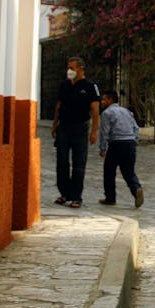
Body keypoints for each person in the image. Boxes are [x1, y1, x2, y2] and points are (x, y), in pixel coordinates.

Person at [51, 56, 100, 208]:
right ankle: (64, 193)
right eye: (69, 68)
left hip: (80, 128)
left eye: (72, 68)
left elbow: (95, 110)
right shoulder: (64, 85)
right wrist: (54, 125)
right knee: (62, 162)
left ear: (80, 69)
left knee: (79, 164)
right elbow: (58, 106)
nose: (69, 71)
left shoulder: (90, 86)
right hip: (64, 128)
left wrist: (94, 131)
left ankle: (76, 196)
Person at [97, 90, 144, 208]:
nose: (102, 102)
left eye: (104, 99)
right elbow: (136, 128)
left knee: (109, 171)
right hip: (130, 143)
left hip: (116, 144)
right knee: (129, 171)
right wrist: (134, 141)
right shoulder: (127, 111)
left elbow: (104, 132)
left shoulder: (107, 113)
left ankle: (110, 197)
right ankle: (136, 189)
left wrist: (102, 148)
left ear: (110, 100)